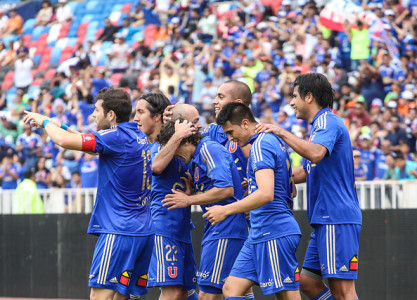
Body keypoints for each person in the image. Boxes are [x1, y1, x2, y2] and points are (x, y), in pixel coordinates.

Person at [23, 87, 154, 300]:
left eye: (97, 110)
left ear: (111, 115)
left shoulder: (115, 137)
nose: (93, 115)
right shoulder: (136, 135)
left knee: (99, 296)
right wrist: (62, 125)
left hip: (118, 231)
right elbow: (93, 146)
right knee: (121, 297)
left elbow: (65, 142)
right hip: (143, 232)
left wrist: (45, 122)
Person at [255, 73, 362, 300]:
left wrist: (280, 131)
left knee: (343, 291)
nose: (292, 102)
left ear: (309, 97)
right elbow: (304, 171)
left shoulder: (327, 121)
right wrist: (264, 179)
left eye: (295, 96)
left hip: (335, 217)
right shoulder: (317, 128)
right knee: (307, 282)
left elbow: (315, 154)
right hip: (325, 219)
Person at [204, 102, 301, 299]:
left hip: (273, 230)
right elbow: (290, 191)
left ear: (246, 123)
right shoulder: (272, 140)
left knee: (287, 295)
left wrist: (226, 210)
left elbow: (266, 194)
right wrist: (252, 189)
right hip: (260, 231)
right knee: (231, 288)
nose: (231, 138)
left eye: (231, 132)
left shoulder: (260, 145)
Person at [158, 118, 248, 300]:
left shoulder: (208, 149)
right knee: (231, 290)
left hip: (226, 228)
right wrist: (194, 192)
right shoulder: (197, 157)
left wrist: (188, 200)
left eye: (175, 148)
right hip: (218, 227)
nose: (175, 156)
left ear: (184, 140)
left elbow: (226, 189)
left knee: (208, 293)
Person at [135, 97, 199, 300]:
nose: (136, 118)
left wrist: (191, 194)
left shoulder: (181, 147)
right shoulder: (157, 148)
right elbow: (156, 167)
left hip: (182, 229)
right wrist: (177, 135)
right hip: (163, 228)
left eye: (140, 112)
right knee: (171, 291)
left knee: (185, 292)